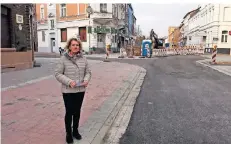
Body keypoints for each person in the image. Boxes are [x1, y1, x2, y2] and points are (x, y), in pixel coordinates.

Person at [54, 38, 91, 143]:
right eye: (73, 45)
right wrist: (69, 82)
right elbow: (57, 74)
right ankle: (68, 133)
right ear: (69, 47)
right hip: (68, 91)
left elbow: (88, 72)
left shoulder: (84, 59)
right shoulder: (63, 59)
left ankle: (75, 131)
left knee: (77, 111)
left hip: (80, 89)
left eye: (77, 45)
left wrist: (86, 79)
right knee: (69, 112)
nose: (76, 47)